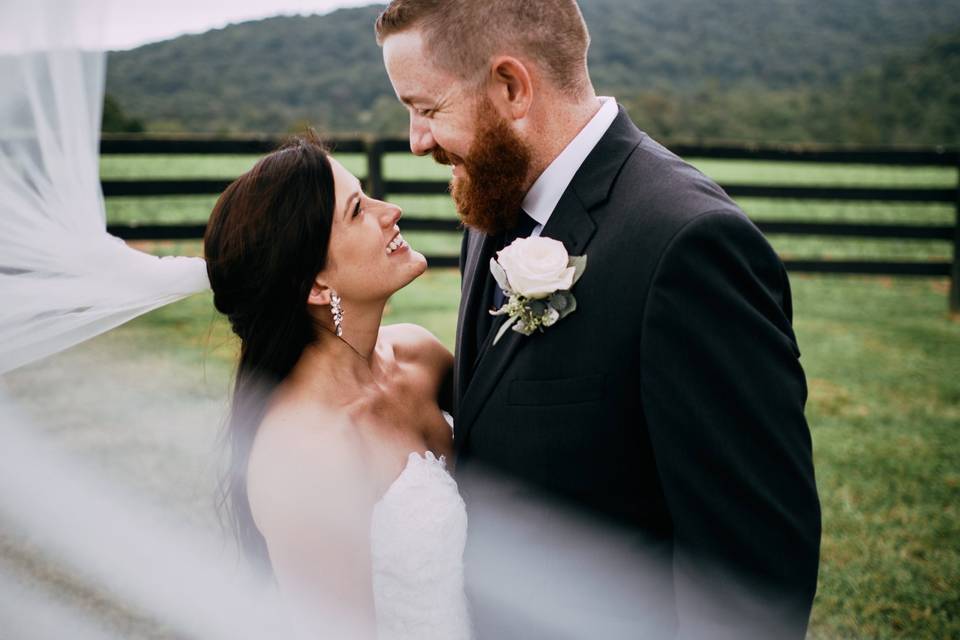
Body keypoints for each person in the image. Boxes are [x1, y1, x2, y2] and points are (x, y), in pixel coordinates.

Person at [375, 1, 822, 638]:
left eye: (426, 109)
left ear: (511, 87)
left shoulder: (687, 245)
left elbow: (751, 573)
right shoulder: (495, 205)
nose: (418, 140)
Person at [203, 133, 471, 639]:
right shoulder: (304, 455)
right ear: (316, 286)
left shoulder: (420, 357)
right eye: (357, 211)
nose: (389, 210)